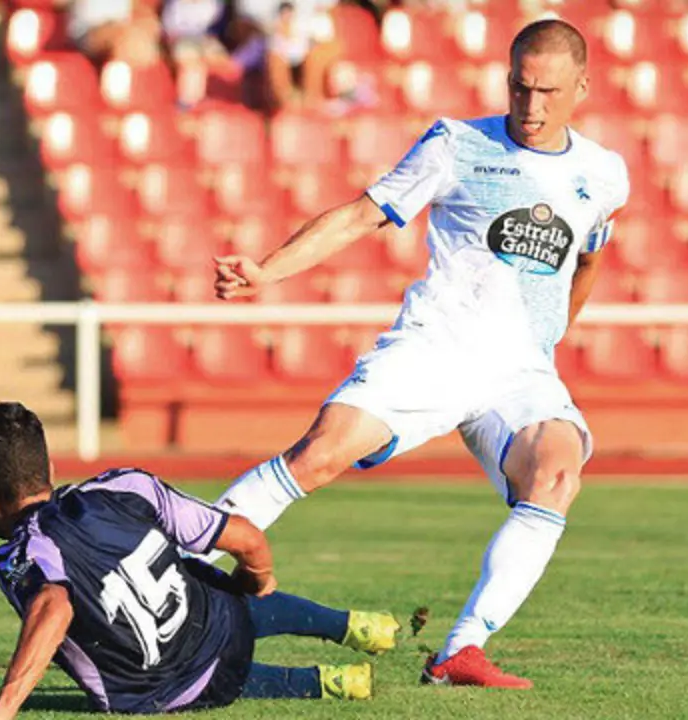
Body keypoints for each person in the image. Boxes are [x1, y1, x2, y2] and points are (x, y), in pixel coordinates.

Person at [208, 18, 628, 689]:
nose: (532, 106)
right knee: (316, 457)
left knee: (556, 473)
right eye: (520, 88)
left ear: (583, 86)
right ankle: (171, 578)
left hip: (518, 374)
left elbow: (592, 253)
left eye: (549, 92)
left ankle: (460, 650)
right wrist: (266, 271)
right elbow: (359, 215)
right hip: (436, 347)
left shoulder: (604, 173)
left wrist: (549, 339)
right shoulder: (457, 144)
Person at [0, 402, 402, 719]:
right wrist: (259, 578)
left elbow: (53, 605)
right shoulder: (124, 486)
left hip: (172, 693)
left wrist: (3, 708)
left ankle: (331, 683)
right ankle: (352, 625)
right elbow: (244, 536)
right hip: (224, 622)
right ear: (50, 469)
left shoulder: (15, 556)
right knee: (219, 586)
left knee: (205, 677)